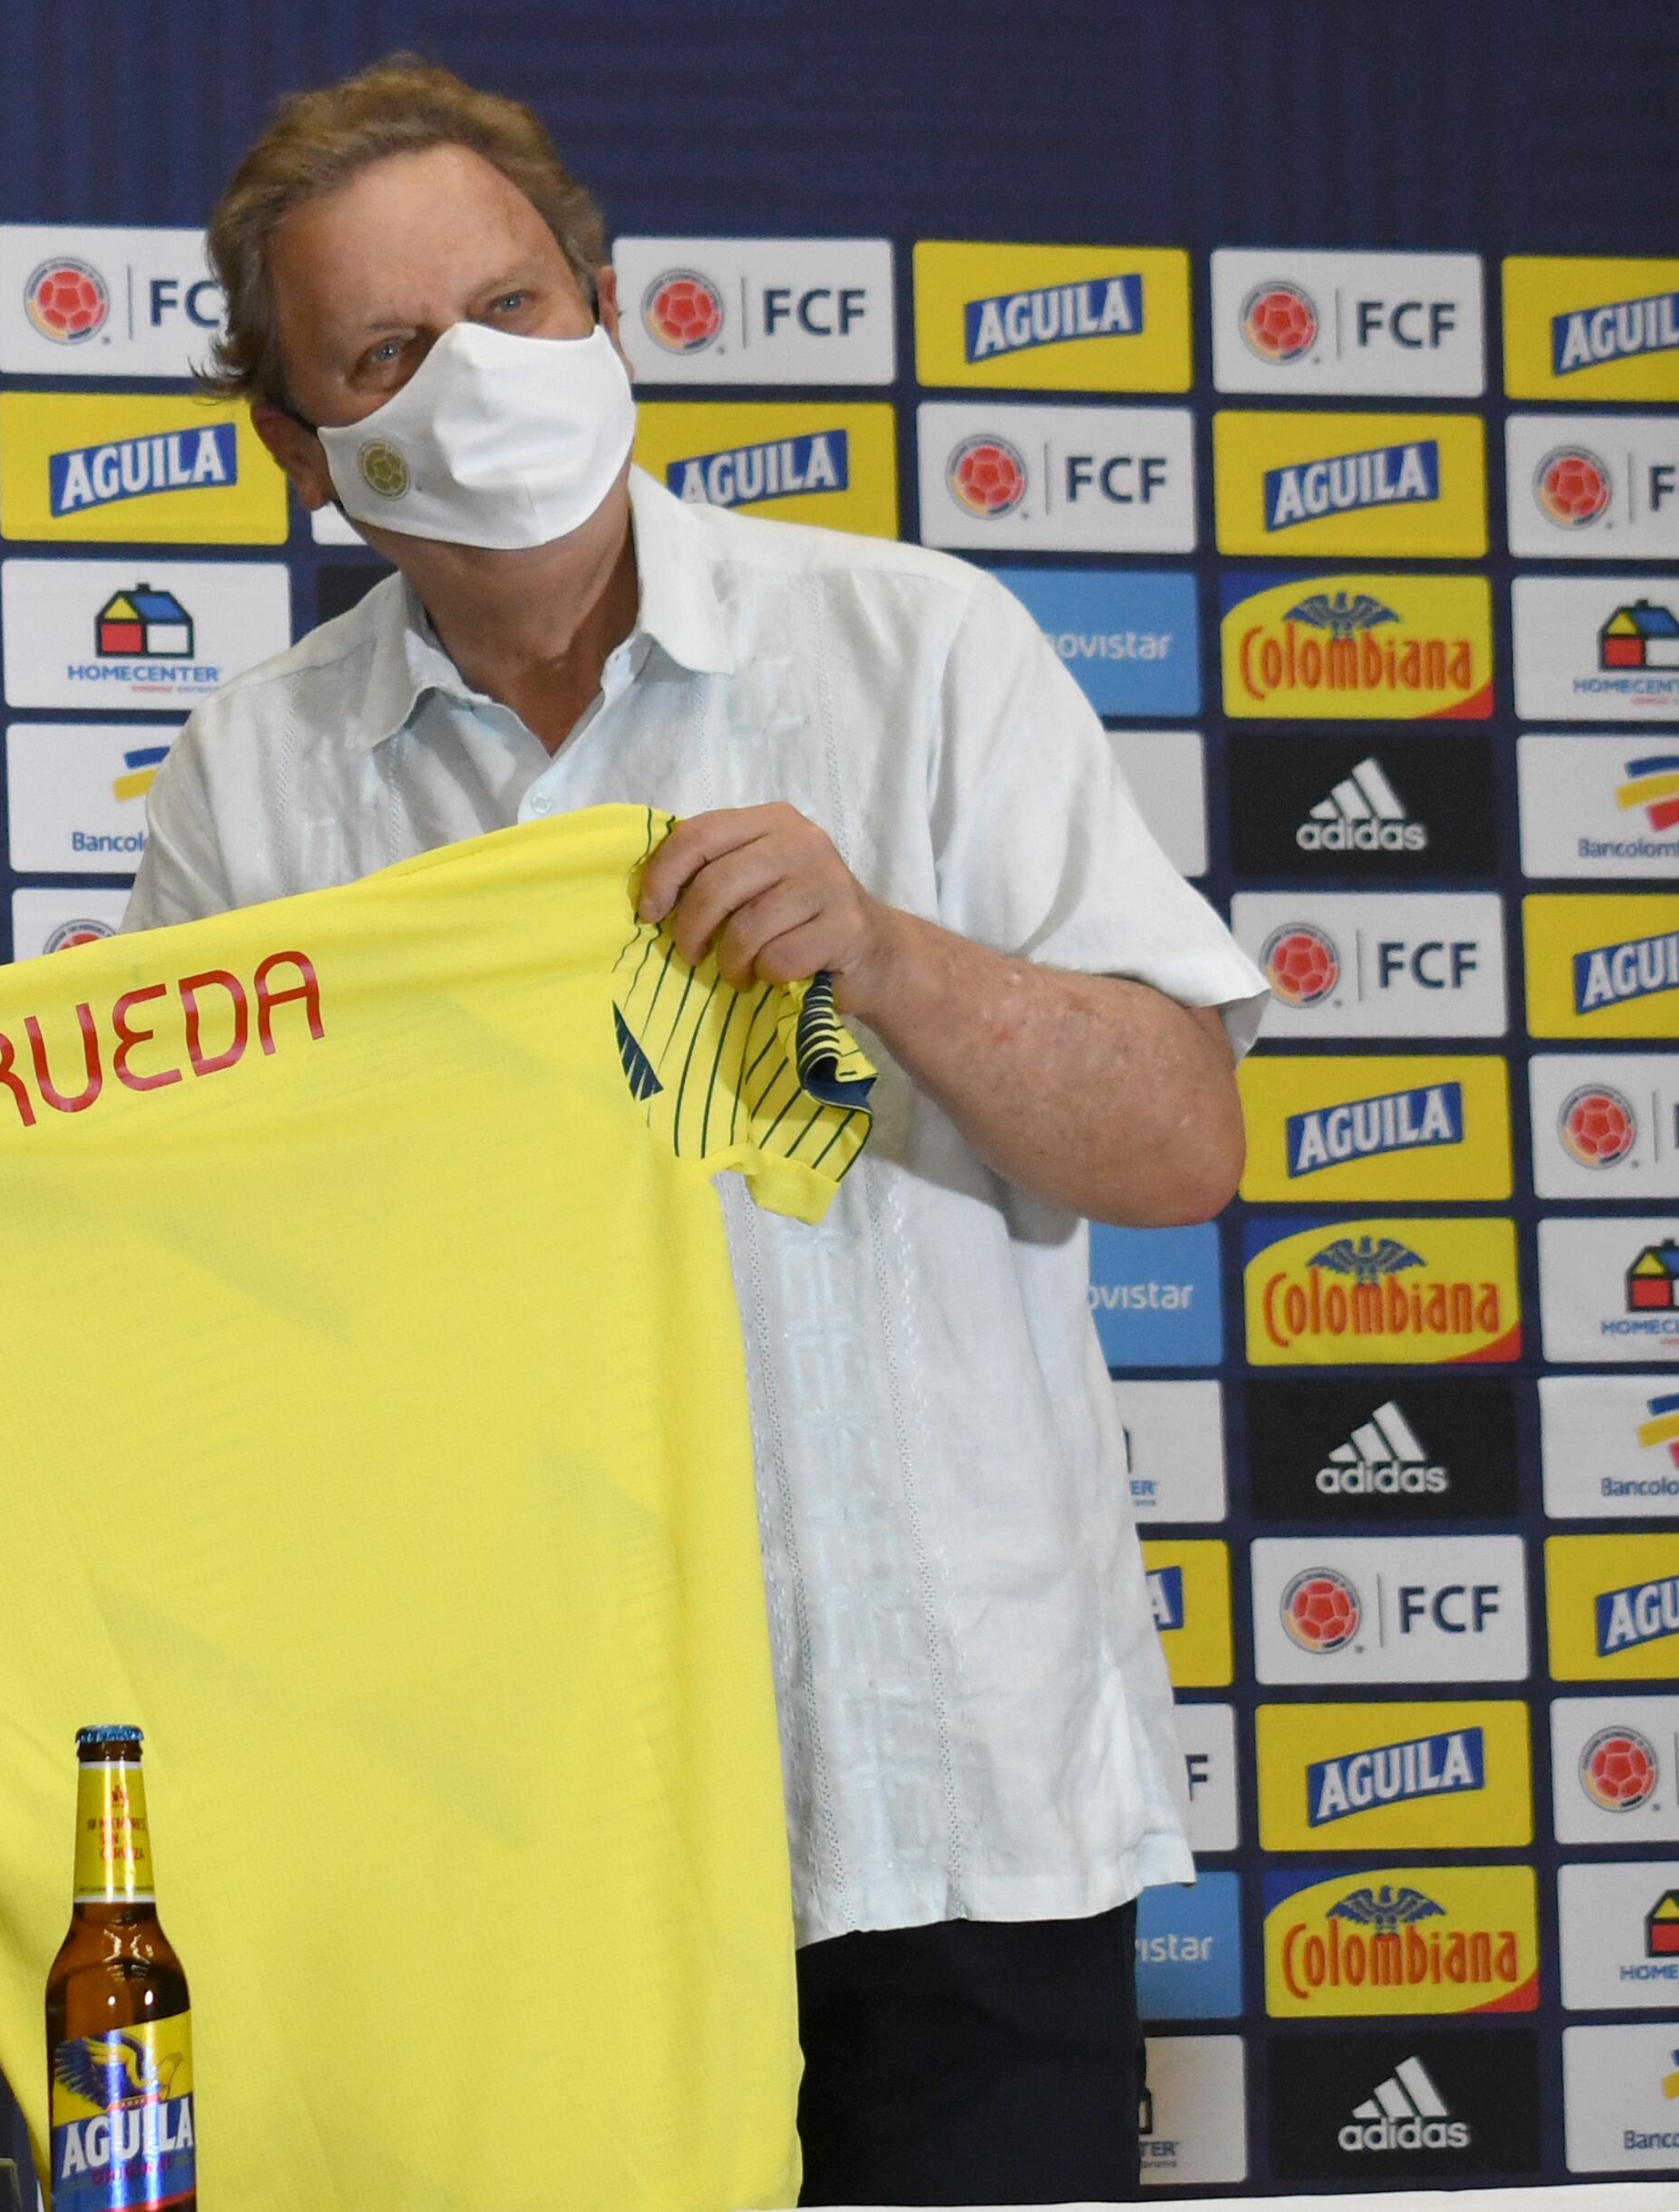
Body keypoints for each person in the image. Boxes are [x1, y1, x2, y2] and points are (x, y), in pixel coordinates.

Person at [130, 58, 1263, 2205]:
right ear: (298, 439)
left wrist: (892, 959)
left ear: (610, 302)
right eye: (389, 352)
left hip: (944, 1799)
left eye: (520, 306)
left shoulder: (917, 645)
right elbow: (194, 1291)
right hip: (506, 1828)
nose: (480, 378)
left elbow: (1183, 1142)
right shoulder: (249, 783)